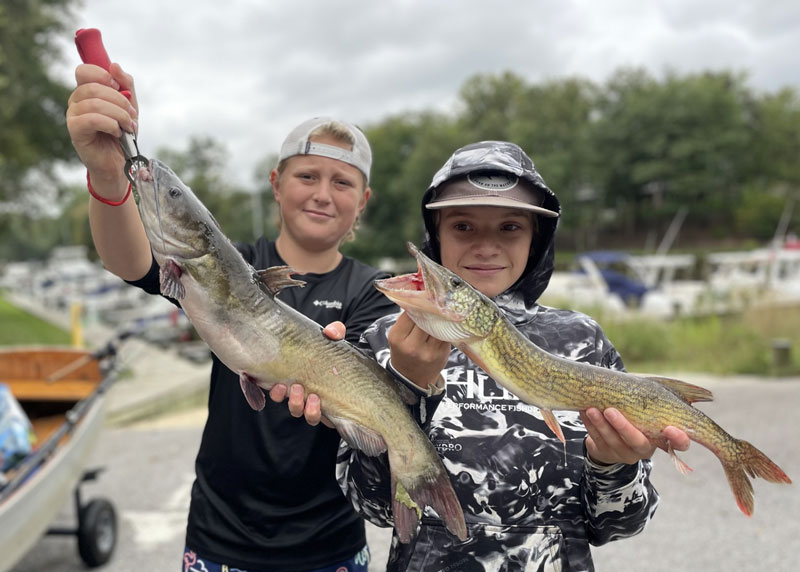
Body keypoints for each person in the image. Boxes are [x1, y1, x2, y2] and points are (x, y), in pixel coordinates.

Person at [66, 62, 396, 571]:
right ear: (276, 183)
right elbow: (128, 261)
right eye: (306, 175)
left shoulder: (374, 292)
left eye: (343, 182)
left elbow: (374, 394)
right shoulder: (222, 264)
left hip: (329, 543)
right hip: (221, 535)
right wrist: (109, 175)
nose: (323, 193)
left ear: (363, 202)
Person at [334, 141, 691, 571]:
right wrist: (406, 390)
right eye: (463, 227)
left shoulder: (584, 341)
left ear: (536, 238)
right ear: (437, 235)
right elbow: (372, 506)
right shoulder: (384, 340)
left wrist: (614, 465)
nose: (486, 246)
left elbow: (618, 525)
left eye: (510, 228)